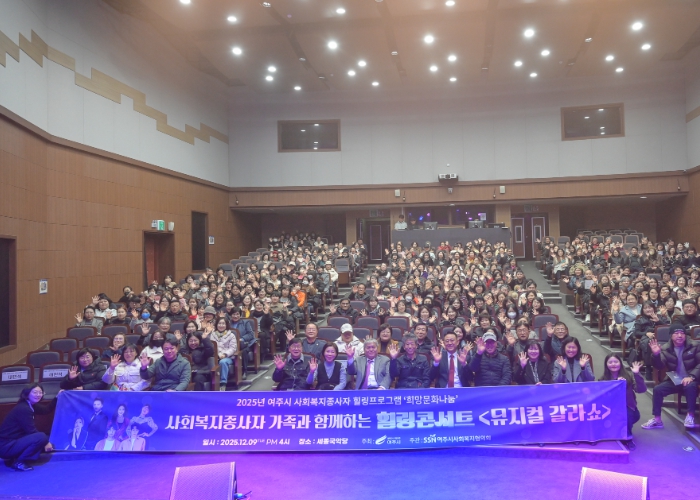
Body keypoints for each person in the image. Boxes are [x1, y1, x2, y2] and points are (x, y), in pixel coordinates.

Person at [642, 324, 700, 430]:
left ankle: (690, 416)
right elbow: (659, 366)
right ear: (671, 336)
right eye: (676, 333)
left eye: (682, 333)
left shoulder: (695, 345)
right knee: (658, 389)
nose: (680, 335)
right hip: (676, 379)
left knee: (690, 386)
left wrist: (691, 376)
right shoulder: (665, 348)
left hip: (692, 378)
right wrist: (656, 355)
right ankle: (657, 420)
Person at [0, 384, 56, 471]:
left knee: (45, 438)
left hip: (14, 441)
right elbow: (31, 431)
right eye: (35, 392)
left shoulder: (31, 404)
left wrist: (57, 397)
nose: (38, 395)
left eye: (40, 392)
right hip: (6, 446)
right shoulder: (24, 408)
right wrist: (46, 442)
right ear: (27, 393)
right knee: (42, 437)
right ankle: (19, 462)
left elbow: (46, 410)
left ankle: (17, 457)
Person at [599, 354, 646, 450]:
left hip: (629, 409)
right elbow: (603, 398)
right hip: (611, 411)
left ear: (620, 363)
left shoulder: (628, 376)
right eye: (610, 362)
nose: (613, 364)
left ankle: (628, 438)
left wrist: (637, 374)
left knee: (626, 415)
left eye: (616, 362)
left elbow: (641, 390)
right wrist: (616, 383)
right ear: (606, 364)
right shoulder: (602, 380)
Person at [210, 317, 238, 391]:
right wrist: (217, 355)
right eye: (219, 323)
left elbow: (233, 348)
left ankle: (223, 383)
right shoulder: (212, 334)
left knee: (223, 362)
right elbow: (211, 347)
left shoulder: (231, 335)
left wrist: (225, 354)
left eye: (223, 324)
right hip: (216, 356)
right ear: (216, 324)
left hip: (228, 357)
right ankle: (212, 384)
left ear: (226, 325)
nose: (221, 325)